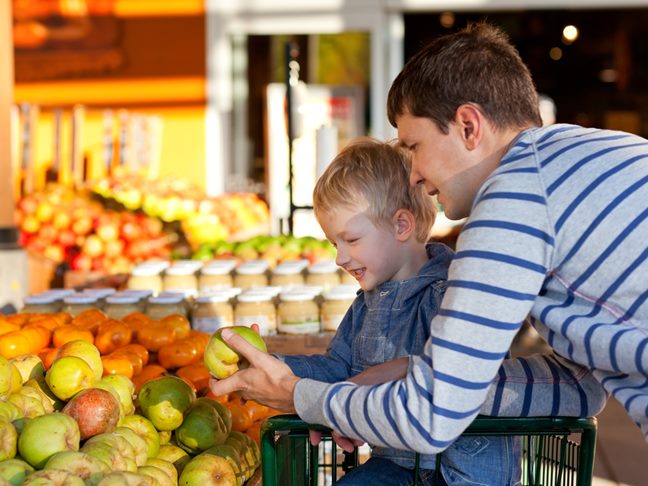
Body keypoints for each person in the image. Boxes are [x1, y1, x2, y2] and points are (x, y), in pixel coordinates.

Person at [211, 22, 639, 456]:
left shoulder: (516, 195)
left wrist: (300, 395)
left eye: (413, 145)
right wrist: (417, 371)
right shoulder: (597, 154)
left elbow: (428, 420)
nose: (413, 173)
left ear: (468, 126)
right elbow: (580, 386)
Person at [276, 137, 521, 485]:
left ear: (401, 225)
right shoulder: (365, 305)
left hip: (463, 472)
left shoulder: (450, 294)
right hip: (400, 463)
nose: (340, 257)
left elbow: (448, 373)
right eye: (334, 244)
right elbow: (338, 368)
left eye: (352, 240)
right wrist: (277, 367)